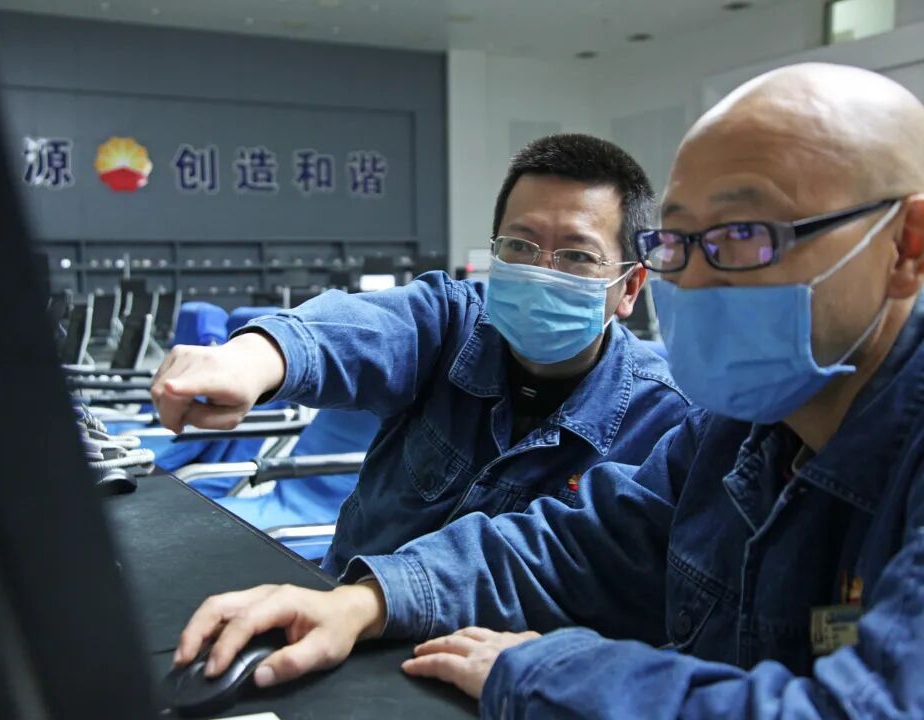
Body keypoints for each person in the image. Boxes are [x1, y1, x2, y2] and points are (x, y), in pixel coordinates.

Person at [172, 63, 924, 717]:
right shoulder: (740, 428)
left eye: (743, 236)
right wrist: (363, 601)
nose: (694, 280)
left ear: (906, 247)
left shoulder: (679, 408)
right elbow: (578, 543)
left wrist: (544, 670)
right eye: (680, 242)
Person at [151, 134, 690, 575]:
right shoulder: (450, 323)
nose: (540, 272)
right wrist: (251, 358)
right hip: (341, 615)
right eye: (520, 246)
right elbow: (351, 330)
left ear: (629, 287)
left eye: (576, 256)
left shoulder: (662, 417)